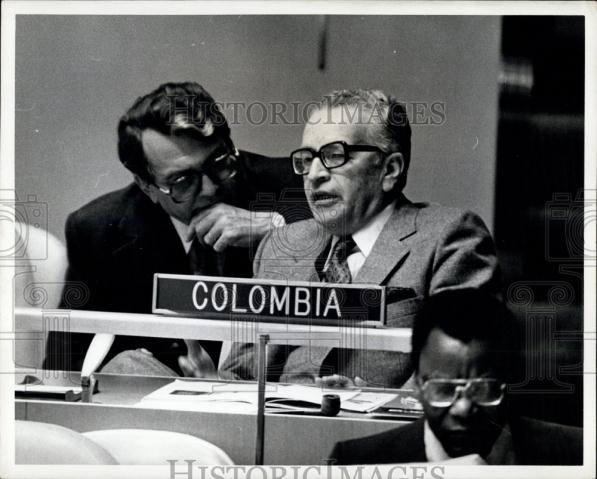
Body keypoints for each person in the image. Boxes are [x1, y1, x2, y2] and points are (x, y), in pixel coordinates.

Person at [220, 89, 500, 387]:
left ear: (390, 169)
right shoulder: (281, 246)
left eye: (333, 156)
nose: (313, 174)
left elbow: (454, 372)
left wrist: (367, 405)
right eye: (306, 159)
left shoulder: (450, 238)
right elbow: (239, 374)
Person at [44, 82, 309, 376]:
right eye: (183, 182)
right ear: (146, 185)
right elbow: (63, 363)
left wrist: (278, 231)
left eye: (218, 163)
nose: (209, 188)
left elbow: (356, 266)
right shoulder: (97, 230)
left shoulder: (296, 185)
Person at [328, 289, 583, 465]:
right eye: (443, 389)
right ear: (417, 385)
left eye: (483, 389)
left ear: (512, 380)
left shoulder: (578, 454)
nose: (463, 408)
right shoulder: (355, 463)